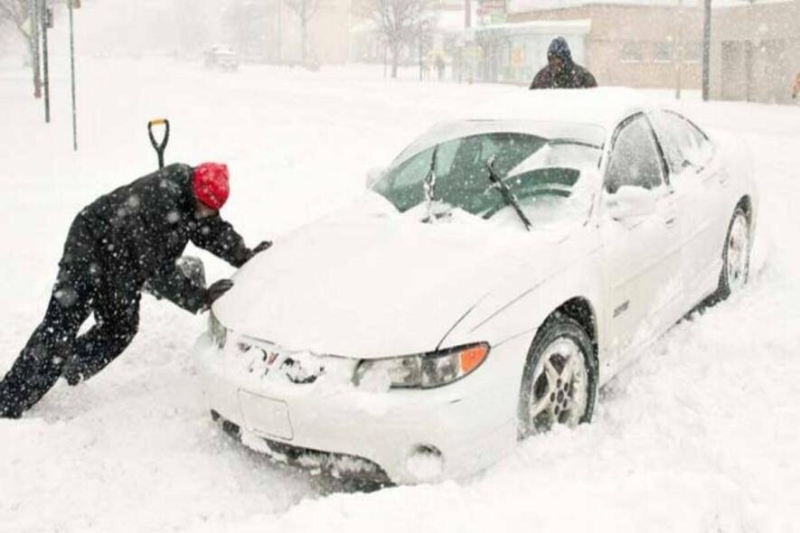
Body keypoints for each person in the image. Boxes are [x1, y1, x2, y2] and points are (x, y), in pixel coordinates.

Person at [0, 162, 271, 418]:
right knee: (61, 324)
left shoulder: (197, 201)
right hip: (92, 243)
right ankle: (9, 400)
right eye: (205, 207)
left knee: (120, 326)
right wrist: (199, 297)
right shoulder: (160, 202)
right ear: (194, 190)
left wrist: (244, 256)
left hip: (123, 257)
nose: (207, 213)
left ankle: (70, 367)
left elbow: (212, 231)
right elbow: (157, 271)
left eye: (213, 210)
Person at [529, 37, 597, 90]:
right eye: (551, 58)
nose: (554, 62)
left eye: (557, 58)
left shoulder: (584, 77)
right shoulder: (541, 78)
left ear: (565, 58)